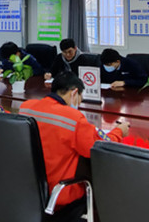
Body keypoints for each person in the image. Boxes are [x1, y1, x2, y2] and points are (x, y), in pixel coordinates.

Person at [20, 72, 130, 211]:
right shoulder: (73, 118)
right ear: (74, 93)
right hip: (59, 194)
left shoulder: (26, 107)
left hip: (28, 189)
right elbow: (98, 148)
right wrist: (119, 131)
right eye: (80, 99)